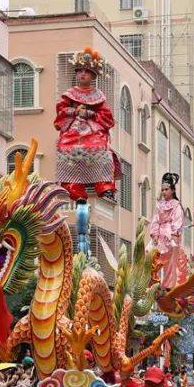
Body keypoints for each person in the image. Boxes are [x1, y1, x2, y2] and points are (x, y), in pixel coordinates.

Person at [54, 47, 117, 256]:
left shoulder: (99, 96)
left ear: (93, 75)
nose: (82, 74)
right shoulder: (69, 94)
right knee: (65, 148)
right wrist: (75, 111)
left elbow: (107, 118)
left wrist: (89, 113)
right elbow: (61, 111)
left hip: (93, 130)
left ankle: (104, 187)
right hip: (73, 129)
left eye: (86, 72)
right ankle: (74, 189)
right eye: (80, 71)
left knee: (102, 149)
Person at [149, 173, 186, 288]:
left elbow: (178, 223)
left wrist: (172, 236)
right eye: (162, 190)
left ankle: (167, 288)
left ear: (173, 190)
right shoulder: (159, 205)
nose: (164, 192)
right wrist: (155, 235)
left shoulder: (177, 206)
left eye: (166, 189)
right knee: (148, 254)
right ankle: (151, 283)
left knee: (170, 264)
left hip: (171, 237)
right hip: (158, 237)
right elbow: (155, 220)